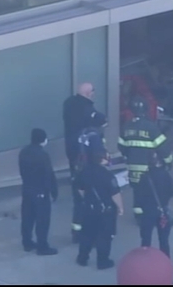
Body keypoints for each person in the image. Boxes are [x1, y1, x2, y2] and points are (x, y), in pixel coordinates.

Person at [118, 97, 173, 226]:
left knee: (137, 191)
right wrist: (168, 161)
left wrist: (129, 156)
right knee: (152, 192)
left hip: (133, 167)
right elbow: (163, 148)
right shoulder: (151, 127)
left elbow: (121, 146)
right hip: (149, 168)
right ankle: (153, 215)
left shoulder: (127, 126)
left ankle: (138, 215)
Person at [63, 82, 107, 242]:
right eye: (93, 92)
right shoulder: (87, 110)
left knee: (78, 193)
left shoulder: (68, 104)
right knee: (90, 194)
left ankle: (77, 229)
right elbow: (99, 119)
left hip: (73, 157)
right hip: (86, 160)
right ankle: (88, 230)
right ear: (88, 93)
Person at [74, 144, 124, 270]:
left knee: (87, 234)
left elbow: (80, 189)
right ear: (103, 158)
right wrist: (120, 207)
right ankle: (102, 261)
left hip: (89, 209)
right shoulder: (107, 175)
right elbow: (115, 194)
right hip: (105, 211)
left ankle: (82, 258)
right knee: (104, 237)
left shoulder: (84, 171)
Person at [18, 128, 59, 256]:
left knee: (27, 218)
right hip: (41, 192)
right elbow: (48, 174)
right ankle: (42, 246)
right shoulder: (43, 155)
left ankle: (27, 242)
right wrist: (53, 191)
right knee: (42, 220)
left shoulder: (23, 152)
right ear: (43, 140)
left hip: (27, 189)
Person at [135, 152, 173, 257]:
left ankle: (144, 261)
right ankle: (165, 262)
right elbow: (172, 191)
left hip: (148, 212)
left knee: (146, 239)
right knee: (164, 240)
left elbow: (138, 197)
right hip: (163, 211)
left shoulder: (144, 178)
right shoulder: (165, 175)